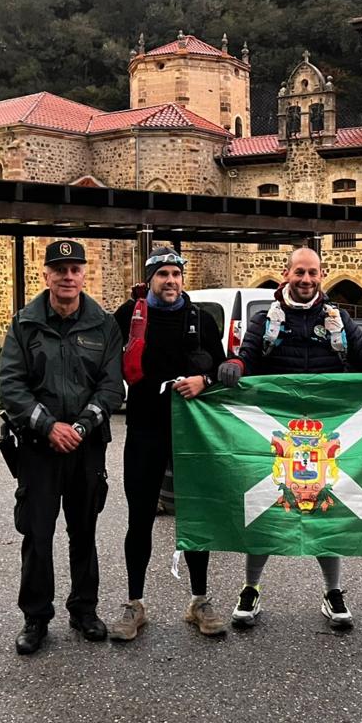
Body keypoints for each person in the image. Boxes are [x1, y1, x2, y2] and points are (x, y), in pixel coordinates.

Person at [217, 246, 362, 630]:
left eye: (313, 273)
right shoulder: (266, 320)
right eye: (300, 272)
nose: (306, 280)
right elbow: (247, 355)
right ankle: (251, 587)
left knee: (326, 508)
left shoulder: (338, 319)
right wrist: (235, 364)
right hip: (277, 435)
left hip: (325, 433)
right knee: (266, 508)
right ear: (287, 273)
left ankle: (333, 591)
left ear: (321, 275)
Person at [0, 240, 124, 655]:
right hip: (38, 447)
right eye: (59, 269)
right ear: (46, 274)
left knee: (83, 530)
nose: (67, 276)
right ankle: (36, 617)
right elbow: (12, 386)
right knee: (37, 532)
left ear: (84, 274)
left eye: (75, 269)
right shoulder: (25, 323)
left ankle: (84, 610)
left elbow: (111, 385)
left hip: (86, 448)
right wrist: (50, 427)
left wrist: (83, 427)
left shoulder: (104, 324)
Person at [109, 247, 228, 641]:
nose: (171, 281)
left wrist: (204, 381)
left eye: (176, 274)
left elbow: (222, 369)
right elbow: (105, 363)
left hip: (191, 432)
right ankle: (134, 603)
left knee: (195, 516)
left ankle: (199, 600)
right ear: (150, 280)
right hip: (145, 429)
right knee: (139, 516)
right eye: (163, 274)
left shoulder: (202, 319)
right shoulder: (129, 317)